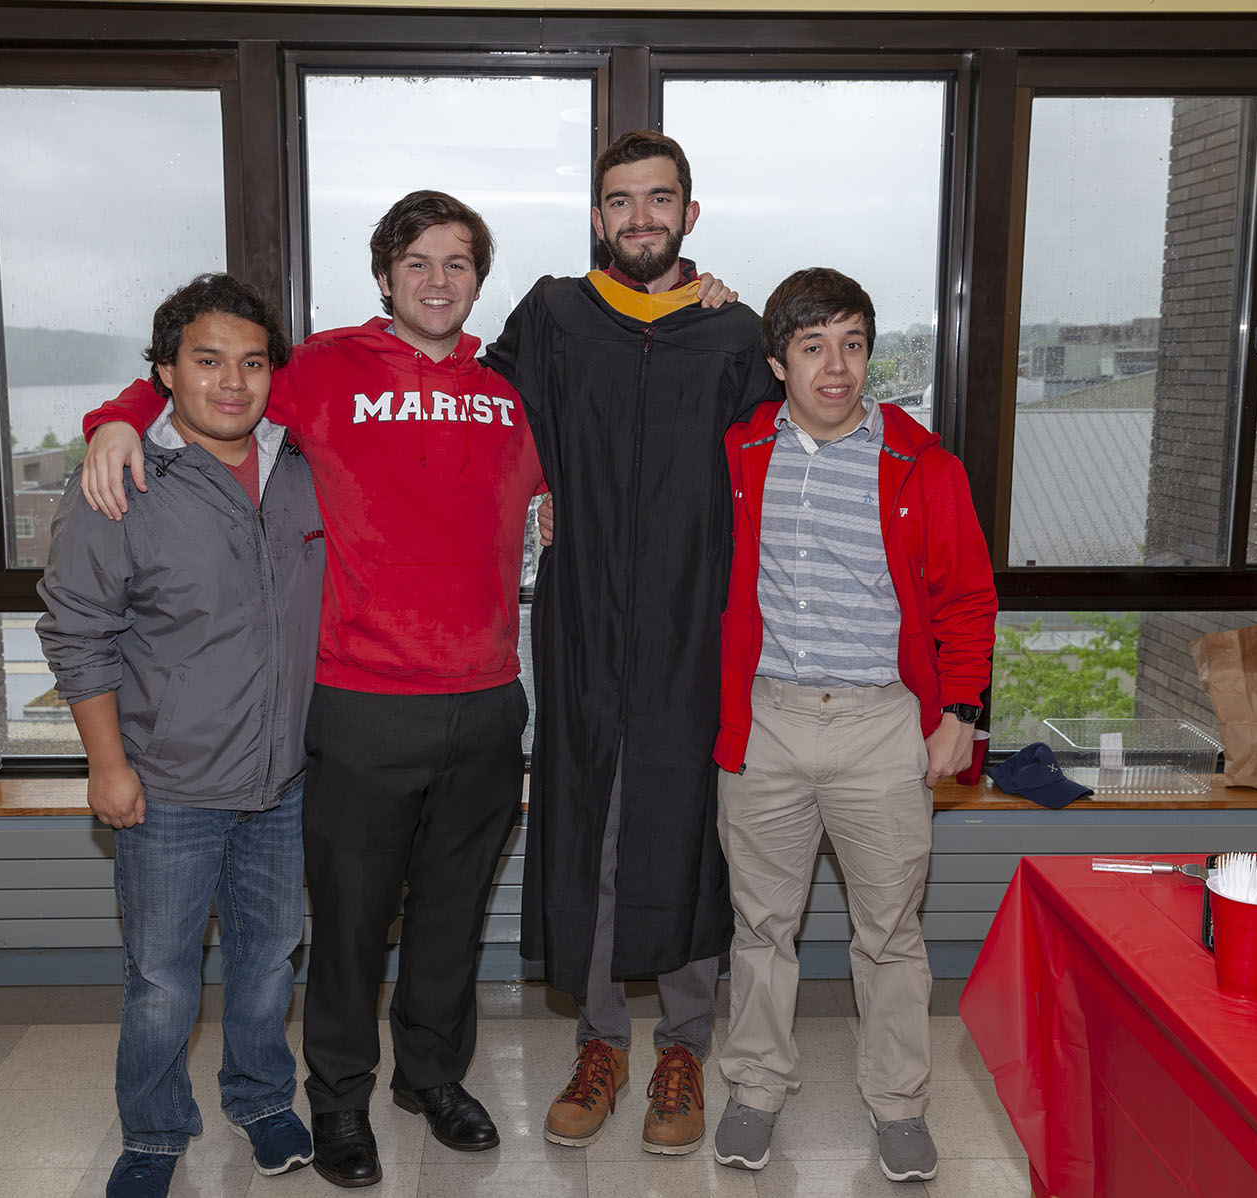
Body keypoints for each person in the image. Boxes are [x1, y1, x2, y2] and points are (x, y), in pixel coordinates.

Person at [75, 192, 545, 1189]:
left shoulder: (511, 392)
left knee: (452, 915)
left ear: (478, 279)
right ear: (383, 275)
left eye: (457, 263)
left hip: (488, 698)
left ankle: (432, 1077)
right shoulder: (325, 370)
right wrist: (114, 420)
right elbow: (208, 383)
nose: (436, 281)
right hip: (361, 698)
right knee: (349, 924)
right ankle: (337, 1099)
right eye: (416, 262)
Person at [483, 130, 780, 1155]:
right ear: (597, 217)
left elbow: (791, 453)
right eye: (620, 200)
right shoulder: (555, 316)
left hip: (696, 620)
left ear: (689, 215)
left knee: (687, 820)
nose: (639, 217)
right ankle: (602, 1042)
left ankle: (684, 1047)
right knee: (595, 820)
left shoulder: (734, 333)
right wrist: (536, 490)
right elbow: (472, 409)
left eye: (659, 199)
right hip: (582, 616)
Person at [38, 273, 324, 1198]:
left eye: (252, 363)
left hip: (283, 782)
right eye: (207, 360)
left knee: (268, 959)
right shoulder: (121, 479)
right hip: (166, 789)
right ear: (164, 370)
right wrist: (108, 766)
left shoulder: (302, 466)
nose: (232, 382)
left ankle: (261, 1096)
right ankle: (155, 1132)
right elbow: (76, 631)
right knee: (161, 981)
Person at [708, 268, 996, 1183]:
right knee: (761, 926)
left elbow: (967, 599)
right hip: (768, 721)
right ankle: (755, 1087)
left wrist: (960, 713)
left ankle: (899, 1104)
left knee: (890, 932)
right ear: (776, 363)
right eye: (812, 347)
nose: (835, 367)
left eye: (852, 344)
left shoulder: (922, 464)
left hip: (880, 726)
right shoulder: (739, 452)